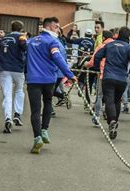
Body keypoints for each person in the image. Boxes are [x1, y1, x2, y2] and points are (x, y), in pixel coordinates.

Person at [26, 17, 77, 154]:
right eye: (56, 27)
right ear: (48, 27)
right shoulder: (52, 42)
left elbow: (24, 56)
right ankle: (44, 130)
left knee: (35, 110)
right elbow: (58, 58)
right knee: (48, 102)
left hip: (33, 80)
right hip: (49, 80)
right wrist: (70, 75)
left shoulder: (30, 42)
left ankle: (37, 138)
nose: (58, 30)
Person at [93, 26, 130, 140]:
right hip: (122, 79)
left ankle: (112, 121)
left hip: (108, 77)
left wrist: (97, 68)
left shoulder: (110, 45)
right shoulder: (129, 48)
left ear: (118, 35)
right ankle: (114, 121)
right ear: (129, 37)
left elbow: (97, 56)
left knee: (109, 100)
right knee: (117, 100)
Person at [0, 21, 28, 133]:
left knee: (7, 95)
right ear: (21, 29)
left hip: (4, 69)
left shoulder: (4, 38)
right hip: (18, 69)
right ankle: (17, 114)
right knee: (19, 91)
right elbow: (25, 48)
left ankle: (8, 118)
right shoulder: (21, 37)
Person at [87, 30, 114, 126]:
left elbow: (93, 61)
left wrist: (87, 65)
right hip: (114, 75)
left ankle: (97, 116)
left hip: (102, 74)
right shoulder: (115, 46)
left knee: (99, 95)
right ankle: (109, 116)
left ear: (103, 38)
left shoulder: (101, 46)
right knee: (110, 97)